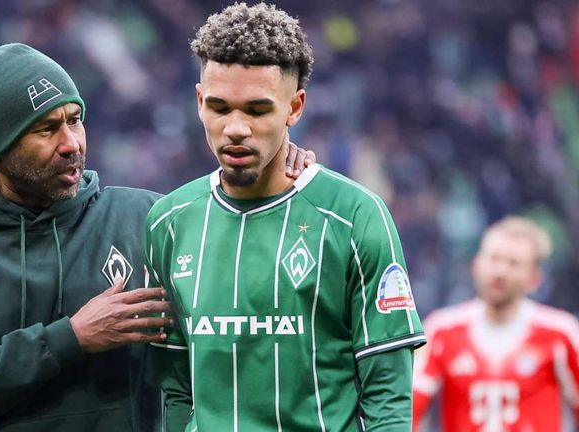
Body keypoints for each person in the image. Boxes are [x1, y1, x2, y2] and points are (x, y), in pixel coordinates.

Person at [0, 43, 315, 432]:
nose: (71, 143)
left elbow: (252, 290)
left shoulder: (147, 217)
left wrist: (274, 173)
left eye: (75, 120)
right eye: (46, 129)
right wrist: (70, 338)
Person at [143, 3, 425, 431]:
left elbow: (389, 397)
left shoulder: (355, 217)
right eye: (220, 108)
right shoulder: (168, 222)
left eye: (257, 110)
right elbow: (174, 388)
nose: (236, 128)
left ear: (294, 108)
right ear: (199, 103)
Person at [413, 216, 579, 431]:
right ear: (475, 264)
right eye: (493, 259)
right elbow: (409, 409)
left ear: (535, 278)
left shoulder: (559, 332)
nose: (500, 272)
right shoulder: (442, 331)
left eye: (513, 263)